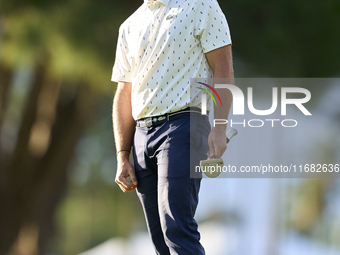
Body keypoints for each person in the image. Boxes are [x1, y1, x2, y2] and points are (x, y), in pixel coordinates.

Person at [111, 0, 233, 254]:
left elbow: (223, 68)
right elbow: (124, 92)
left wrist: (219, 126)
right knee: (159, 238)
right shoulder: (129, 25)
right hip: (142, 135)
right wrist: (122, 155)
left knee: (177, 228)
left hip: (184, 124)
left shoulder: (202, 5)